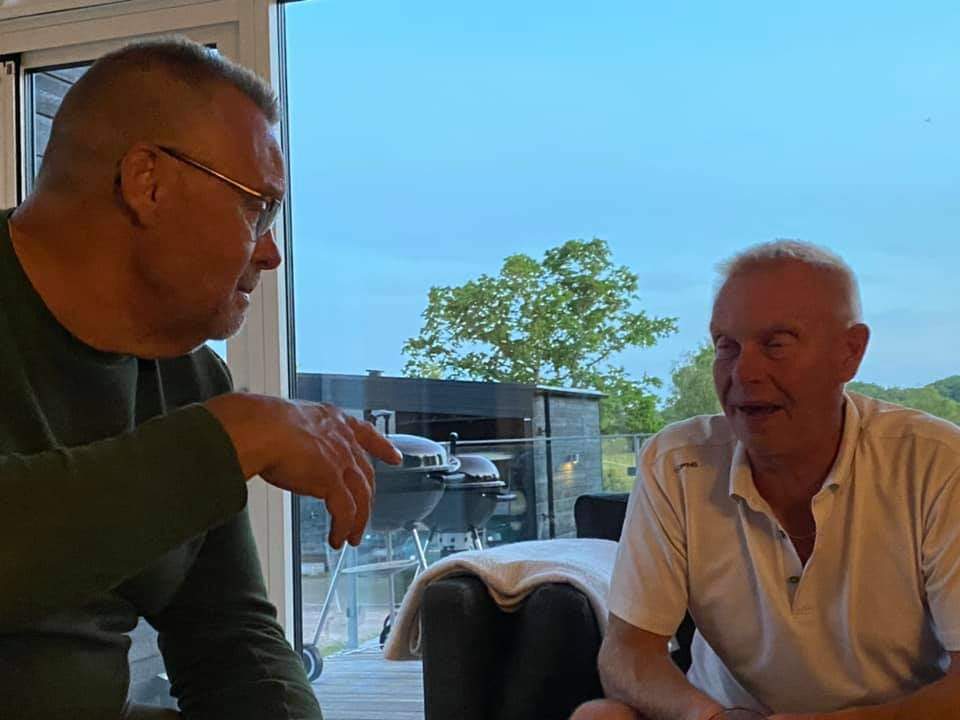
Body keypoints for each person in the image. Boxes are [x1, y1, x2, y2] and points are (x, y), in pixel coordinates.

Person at [0, 37, 403, 720]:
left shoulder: (189, 381)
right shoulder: (220, 425)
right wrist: (233, 437)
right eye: (257, 207)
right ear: (148, 182)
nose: (271, 253)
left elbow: (229, 639)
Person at [572, 241, 960, 719]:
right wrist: (710, 717)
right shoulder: (677, 463)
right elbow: (628, 653)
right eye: (726, 346)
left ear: (850, 352)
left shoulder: (938, 462)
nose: (744, 371)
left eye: (776, 344)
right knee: (599, 716)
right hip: (726, 715)